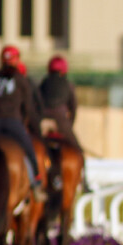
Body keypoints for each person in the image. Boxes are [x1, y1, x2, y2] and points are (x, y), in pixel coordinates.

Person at [0, 45, 46, 201]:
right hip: (13, 123)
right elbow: (27, 107)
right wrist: (22, 123)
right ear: (17, 60)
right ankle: (36, 182)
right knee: (30, 150)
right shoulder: (22, 80)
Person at [39, 55, 91, 192]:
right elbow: (73, 108)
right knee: (78, 150)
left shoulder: (43, 83)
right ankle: (84, 182)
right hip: (61, 122)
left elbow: (36, 103)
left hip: (43, 122)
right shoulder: (68, 84)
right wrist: (68, 126)